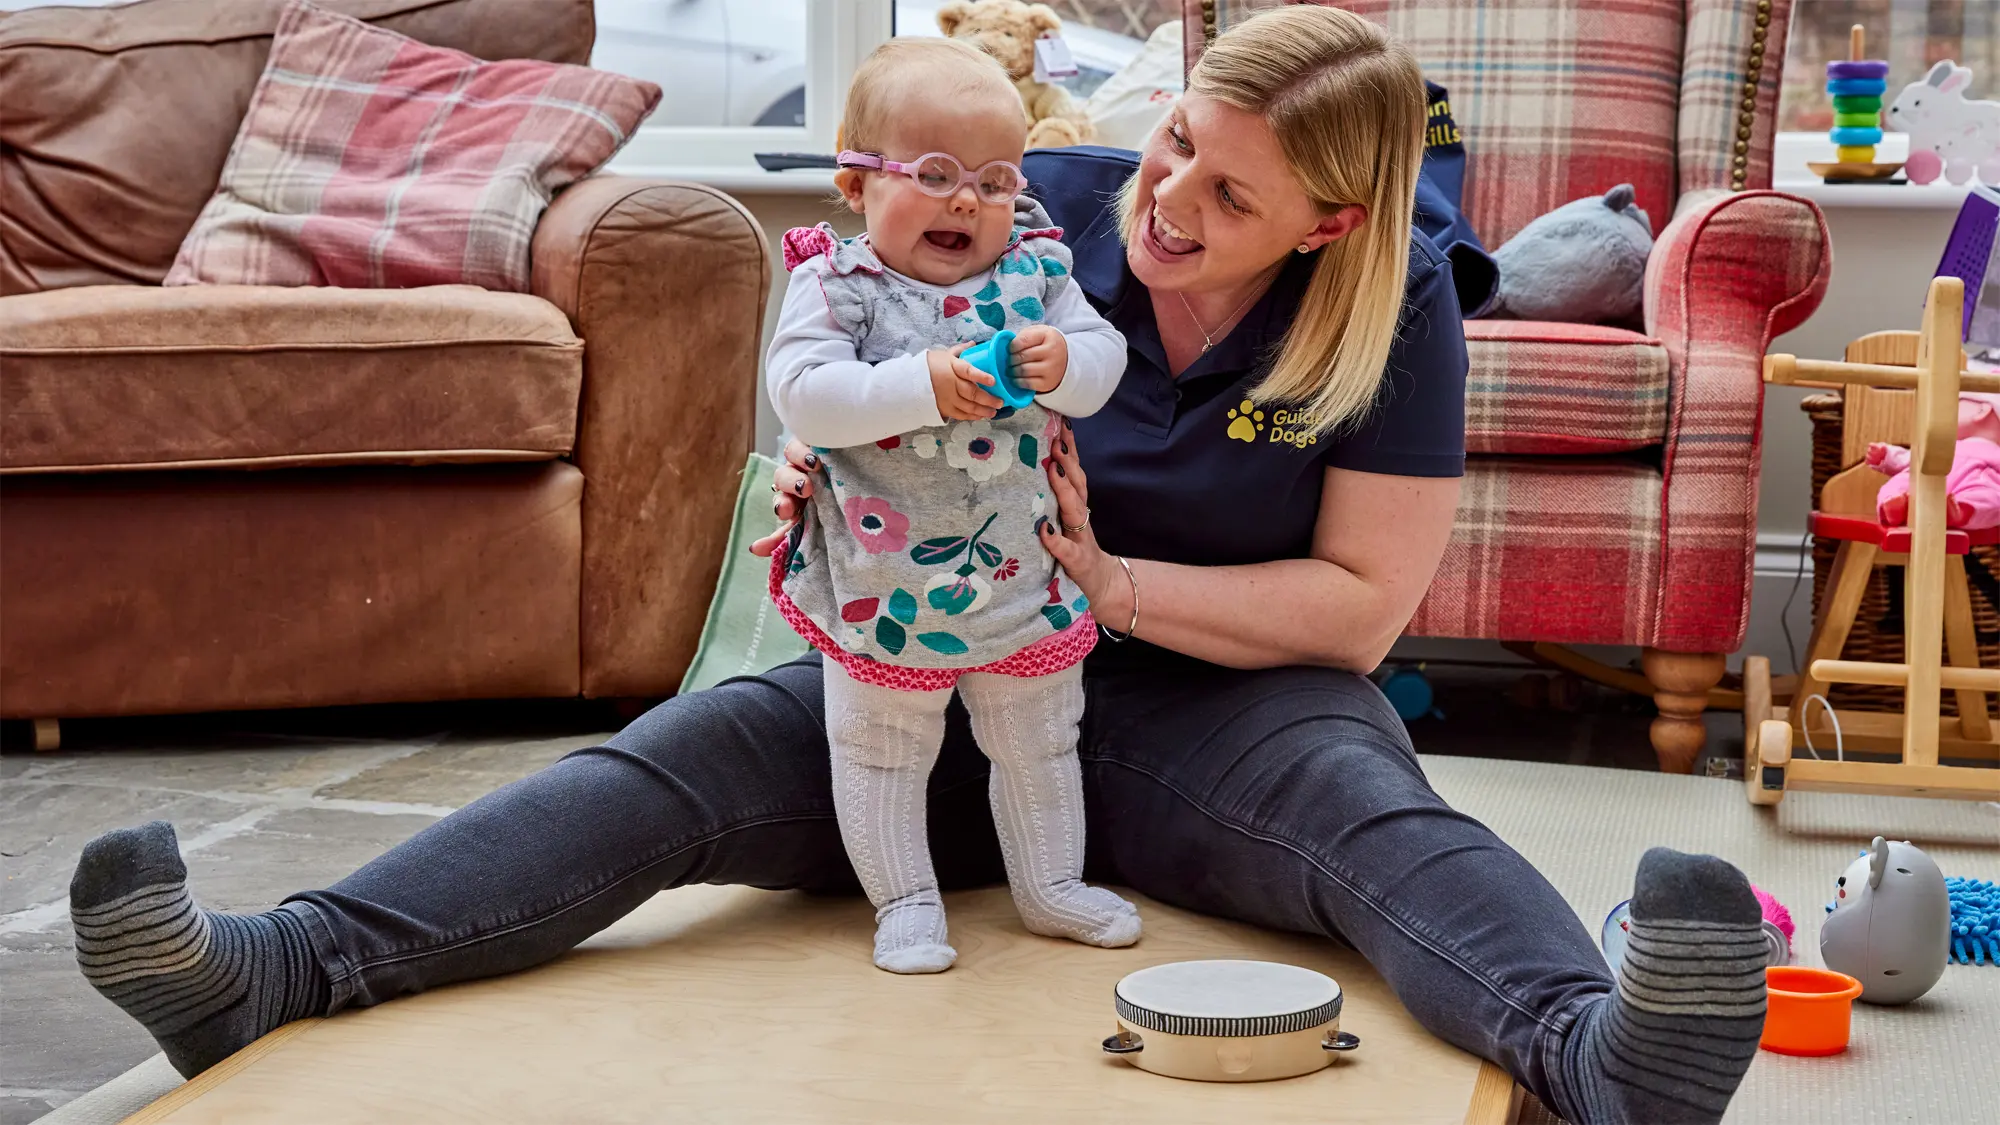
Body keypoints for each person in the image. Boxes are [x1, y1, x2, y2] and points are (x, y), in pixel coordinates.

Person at [66, 8, 1766, 1123]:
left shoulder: (1389, 313)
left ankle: (1600, 1058)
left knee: (1374, 820)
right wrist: (832, 453)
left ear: (1326, 224)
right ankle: (277, 967)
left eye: (1228, 196)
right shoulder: (1032, 207)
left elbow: (1360, 612)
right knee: (680, 760)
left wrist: (1111, 593)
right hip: (932, 661)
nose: (1164, 202)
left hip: (1224, 707)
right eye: (1175, 142)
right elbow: (841, 336)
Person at [766, 37, 1134, 975]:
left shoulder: (1039, 274)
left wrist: (1072, 361)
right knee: (882, 750)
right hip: (885, 586)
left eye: (997, 180)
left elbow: (1104, 366)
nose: (968, 201)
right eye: (934, 174)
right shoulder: (836, 285)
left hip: (1020, 572)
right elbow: (806, 395)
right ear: (855, 179)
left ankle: (1051, 888)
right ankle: (905, 902)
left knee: (1042, 741)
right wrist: (923, 383)